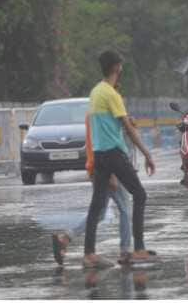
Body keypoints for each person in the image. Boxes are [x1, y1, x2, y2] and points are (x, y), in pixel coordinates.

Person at [83, 50, 156, 269]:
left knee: (96, 205)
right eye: (120, 66)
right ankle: (139, 249)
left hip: (99, 155)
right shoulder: (112, 94)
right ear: (116, 67)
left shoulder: (96, 92)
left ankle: (89, 254)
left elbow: (107, 123)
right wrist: (147, 154)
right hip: (114, 154)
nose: (121, 70)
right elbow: (129, 130)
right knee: (140, 195)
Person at [51, 113, 132, 266]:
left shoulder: (92, 113)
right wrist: (113, 173)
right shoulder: (101, 113)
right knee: (125, 209)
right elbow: (104, 144)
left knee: (99, 213)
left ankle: (65, 238)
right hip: (108, 168)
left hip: (98, 168)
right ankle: (126, 252)